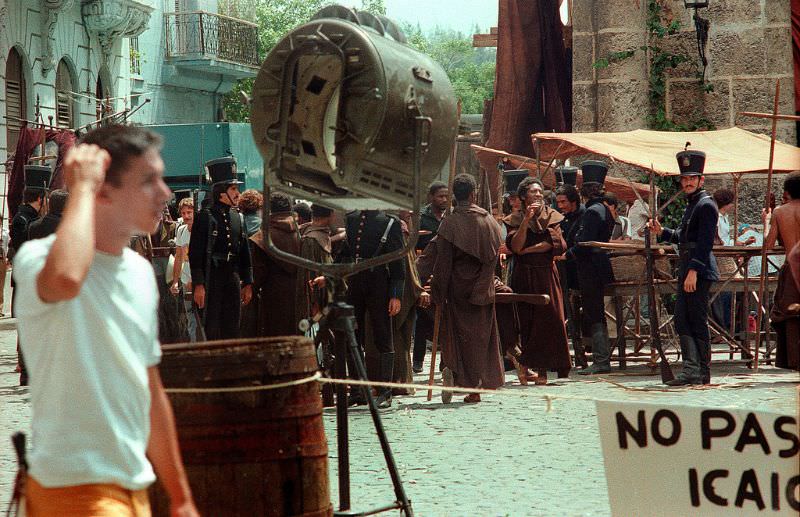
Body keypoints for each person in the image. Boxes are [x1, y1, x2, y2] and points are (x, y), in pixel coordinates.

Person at [13, 125, 197, 515]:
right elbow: (66, 278)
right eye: (149, 181)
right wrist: (80, 187)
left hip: (132, 488)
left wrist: (181, 498)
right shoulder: (38, 259)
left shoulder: (139, 272)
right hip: (74, 490)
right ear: (103, 188)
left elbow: (149, 389)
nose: (165, 193)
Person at [417, 173, 505, 403]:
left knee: (459, 337)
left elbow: (443, 262)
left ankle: (469, 383)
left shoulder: (451, 223)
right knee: (480, 338)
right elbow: (494, 256)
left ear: (455, 194)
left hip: (459, 290)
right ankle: (470, 382)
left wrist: (437, 290)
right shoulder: (489, 220)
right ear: (473, 193)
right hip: (484, 286)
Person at [650, 148, 719, 385]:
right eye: (684, 178)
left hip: (698, 269)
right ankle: (692, 369)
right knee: (682, 318)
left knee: (695, 319)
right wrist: (663, 232)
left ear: (701, 179)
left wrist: (693, 271)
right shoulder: (693, 203)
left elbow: (705, 243)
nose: (687, 182)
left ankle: (700, 371)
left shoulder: (706, 205)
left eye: (692, 178)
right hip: (689, 266)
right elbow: (684, 235)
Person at [507, 177, 570, 385]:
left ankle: (543, 371)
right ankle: (525, 368)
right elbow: (515, 245)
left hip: (546, 274)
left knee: (551, 320)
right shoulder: (514, 219)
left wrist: (527, 250)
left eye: (540, 192)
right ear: (524, 197)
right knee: (527, 321)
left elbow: (554, 244)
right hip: (524, 276)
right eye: (534, 192)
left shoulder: (552, 216)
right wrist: (526, 219)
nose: (538, 195)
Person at [339, 207, 405, 408]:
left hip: (379, 283)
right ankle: (357, 390)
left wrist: (395, 295)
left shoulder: (389, 222)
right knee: (353, 335)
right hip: (356, 281)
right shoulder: (352, 219)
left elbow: (397, 262)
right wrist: (329, 274)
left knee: (383, 336)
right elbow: (346, 252)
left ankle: (385, 391)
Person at [188, 156, 253, 340]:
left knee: (232, 326)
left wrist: (248, 282)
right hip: (212, 278)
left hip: (231, 277)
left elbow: (244, 252)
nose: (237, 193)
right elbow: (195, 253)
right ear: (220, 192)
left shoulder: (237, 218)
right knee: (212, 328)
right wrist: (199, 285)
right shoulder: (205, 217)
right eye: (233, 188)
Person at [566, 161, 615, 375]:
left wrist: (566, 254)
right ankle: (601, 359)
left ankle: (602, 360)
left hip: (591, 268)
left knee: (594, 313)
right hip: (596, 266)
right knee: (594, 313)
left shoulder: (594, 211)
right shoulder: (602, 208)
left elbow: (584, 242)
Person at [243, 191, 304, 337]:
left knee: (275, 340)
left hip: (273, 296)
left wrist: (250, 288)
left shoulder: (262, 237)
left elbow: (258, 272)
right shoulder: (301, 233)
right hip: (299, 295)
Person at [11, 165, 49, 385]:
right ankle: (24, 364)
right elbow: (22, 249)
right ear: (39, 198)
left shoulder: (29, 217)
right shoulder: (23, 220)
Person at [763, 171, 800, 371]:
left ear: (787, 192)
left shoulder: (780, 212)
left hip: (792, 268)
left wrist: (767, 220)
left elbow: (768, 245)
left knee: (791, 316)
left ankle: (793, 361)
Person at [413, 181, 450, 373]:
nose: (444, 200)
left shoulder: (451, 216)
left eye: (446, 196)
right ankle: (418, 359)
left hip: (446, 271)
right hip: (426, 270)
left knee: (446, 316)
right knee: (423, 314)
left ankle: (447, 361)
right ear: (431, 197)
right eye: (440, 196)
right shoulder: (421, 218)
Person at [556, 182, 588, 368]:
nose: (560, 205)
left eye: (563, 201)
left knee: (582, 314)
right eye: (558, 202)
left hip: (579, 269)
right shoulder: (564, 217)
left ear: (573, 200)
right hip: (567, 271)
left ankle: (584, 352)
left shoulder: (584, 215)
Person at [171, 196, 198, 341]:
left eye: (189, 212)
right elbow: (179, 256)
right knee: (190, 319)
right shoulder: (181, 230)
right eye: (183, 213)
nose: (186, 216)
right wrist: (175, 281)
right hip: (186, 279)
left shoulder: (201, 230)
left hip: (200, 282)